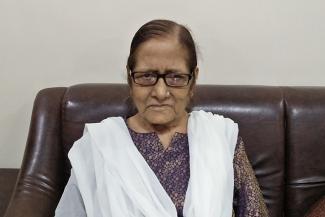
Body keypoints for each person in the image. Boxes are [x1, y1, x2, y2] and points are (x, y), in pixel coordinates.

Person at [55, 19, 269, 217]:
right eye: (147, 76)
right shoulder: (99, 145)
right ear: (130, 78)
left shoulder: (220, 137)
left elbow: (254, 212)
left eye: (175, 77)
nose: (160, 92)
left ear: (193, 80)